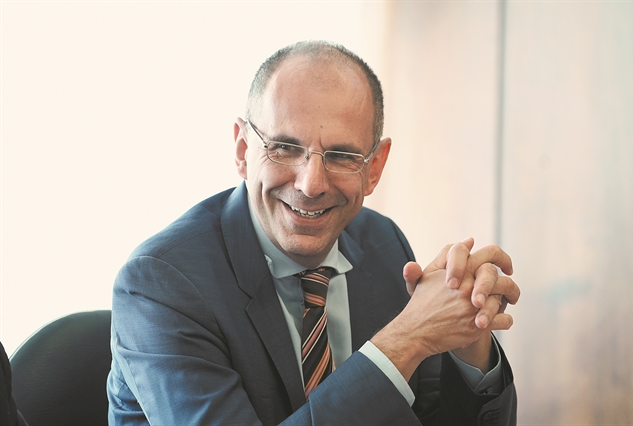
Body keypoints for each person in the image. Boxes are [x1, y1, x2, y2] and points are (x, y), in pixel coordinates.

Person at [107, 40, 520, 425]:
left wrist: (469, 342)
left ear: (374, 167)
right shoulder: (159, 283)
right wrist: (405, 341)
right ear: (243, 150)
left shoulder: (383, 244)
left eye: (341, 155)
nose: (311, 184)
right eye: (284, 148)